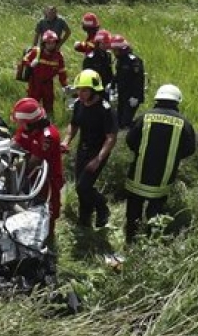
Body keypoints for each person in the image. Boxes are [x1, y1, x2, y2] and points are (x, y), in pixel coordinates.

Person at [124, 84, 196, 244]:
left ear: (157, 99)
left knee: (133, 211)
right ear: (177, 102)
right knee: (155, 213)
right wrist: (174, 157)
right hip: (163, 179)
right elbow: (190, 149)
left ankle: (130, 241)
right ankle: (151, 241)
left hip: (137, 176)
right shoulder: (184, 124)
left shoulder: (144, 117)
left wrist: (140, 152)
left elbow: (130, 140)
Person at [61, 69, 118, 228]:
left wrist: (98, 159)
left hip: (98, 152)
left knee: (83, 186)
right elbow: (74, 124)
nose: (80, 93)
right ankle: (84, 219)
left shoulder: (105, 110)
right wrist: (66, 140)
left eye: (84, 90)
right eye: (78, 89)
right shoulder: (79, 104)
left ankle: (102, 207)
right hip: (83, 149)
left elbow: (111, 138)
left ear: (94, 90)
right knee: (81, 188)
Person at [11, 97, 64, 238]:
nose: (20, 125)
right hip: (32, 177)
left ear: (30, 122)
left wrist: (14, 175)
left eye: (22, 123)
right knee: (32, 206)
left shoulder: (47, 136)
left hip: (49, 179)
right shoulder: (27, 129)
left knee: (49, 209)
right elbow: (15, 143)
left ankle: (48, 238)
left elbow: (35, 161)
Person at [22, 30, 69, 117]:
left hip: (48, 84)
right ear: (44, 43)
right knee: (32, 104)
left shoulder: (58, 56)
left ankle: (49, 122)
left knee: (49, 105)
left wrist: (65, 86)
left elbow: (62, 72)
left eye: (53, 43)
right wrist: (30, 64)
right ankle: (30, 121)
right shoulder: (36, 52)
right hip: (35, 83)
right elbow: (24, 60)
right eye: (48, 43)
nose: (51, 45)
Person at [110, 34, 145, 129]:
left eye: (115, 50)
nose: (114, 52)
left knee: (126, 121)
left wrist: (136, 96)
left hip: (132, 96)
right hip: (122, 94)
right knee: (119, 120)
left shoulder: (134, 61)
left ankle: (138, 128)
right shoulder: (120, 60)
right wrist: (112, 86)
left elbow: (139, 80)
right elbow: (118, 75)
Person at [74, 29, 114, 101]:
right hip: (94, 91)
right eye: (104, 43)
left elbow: (109, 72)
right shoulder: (90, 59)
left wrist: (112, 84)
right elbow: (86, 78)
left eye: (107, 43)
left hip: (105, 89)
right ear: (98, 43)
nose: (106, 45)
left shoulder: (108, 55)